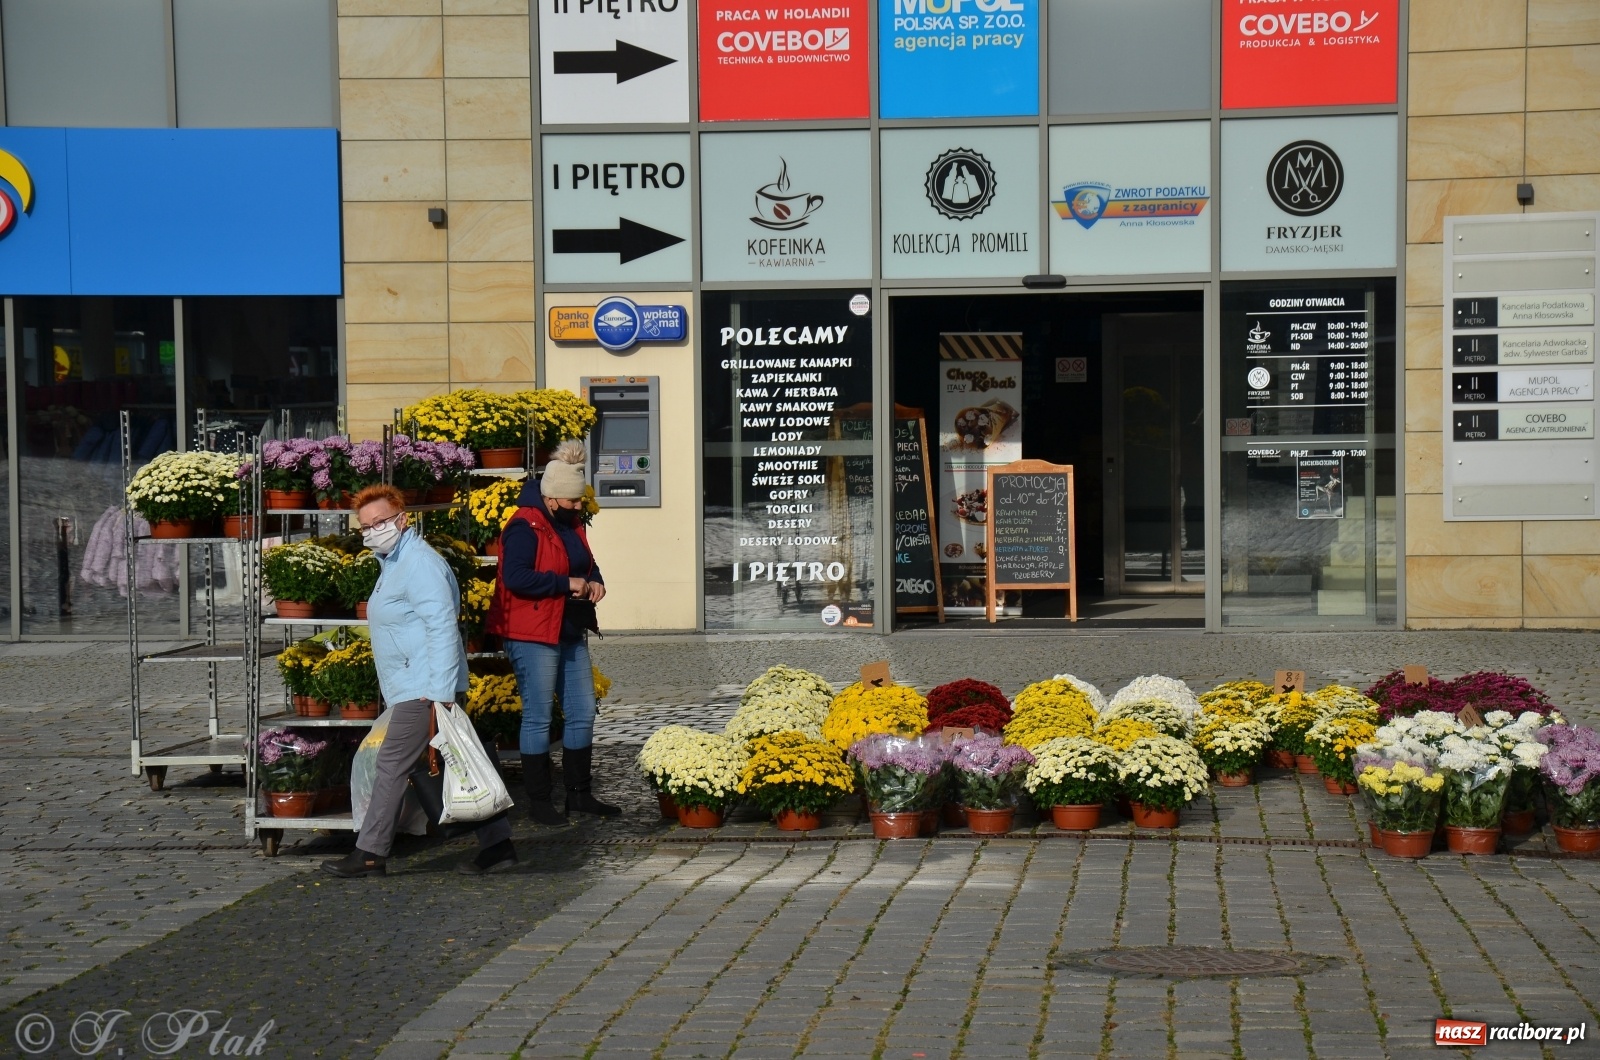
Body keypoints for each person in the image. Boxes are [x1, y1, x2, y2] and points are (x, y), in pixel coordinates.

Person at [322, 484, 517, 878]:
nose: (372, 530)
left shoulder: (419, 563)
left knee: (392, 763)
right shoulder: (393, 563)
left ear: (402, 518)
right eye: (365, 526)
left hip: (424, 686)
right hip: (414, 684)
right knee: (454, 759)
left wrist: (440, 694)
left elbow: (443, 627)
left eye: (379, 522)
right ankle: (498, 846)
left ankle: (371, 852)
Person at [488, 440, 619, 825]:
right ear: (553, 498)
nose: (581, 507)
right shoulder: (522, 527)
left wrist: (594, 580)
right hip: (532, 633)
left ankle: (579, 795)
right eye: (574, 502)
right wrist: (566, 584)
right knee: (539, 717)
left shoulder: (568, 522)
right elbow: (516, 578)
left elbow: (585, 562)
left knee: (582, 713)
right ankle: (540, 801)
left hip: (568, 626)